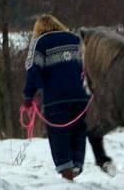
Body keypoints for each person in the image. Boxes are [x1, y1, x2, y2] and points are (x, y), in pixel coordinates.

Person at [21, 13, 92, 180]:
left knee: (58, 132)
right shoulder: (76, 39)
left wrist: (28, 96)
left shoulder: (41, 42)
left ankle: (66, 171)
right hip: (82, 95)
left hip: (56, 97)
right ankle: (77, 165)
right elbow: (89, 64)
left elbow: (33, 69)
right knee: (79, 130)